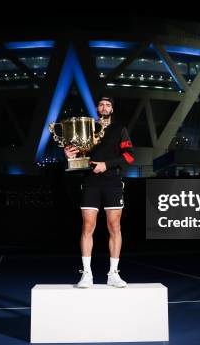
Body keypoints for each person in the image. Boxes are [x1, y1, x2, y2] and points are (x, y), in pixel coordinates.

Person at [64, 96, 135, 288]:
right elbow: (78, 154)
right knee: (87, 227)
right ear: (97, 108)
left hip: (112, 183)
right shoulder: (88, 128)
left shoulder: (120, 129)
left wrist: (107, 165)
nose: (104, 107)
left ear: (112, 109)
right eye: (101, 104)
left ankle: (113, 274)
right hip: (90, 183)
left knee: (115, 227)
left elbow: (129, 157)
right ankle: (86, 274)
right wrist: (70, 155)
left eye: (108, 105)